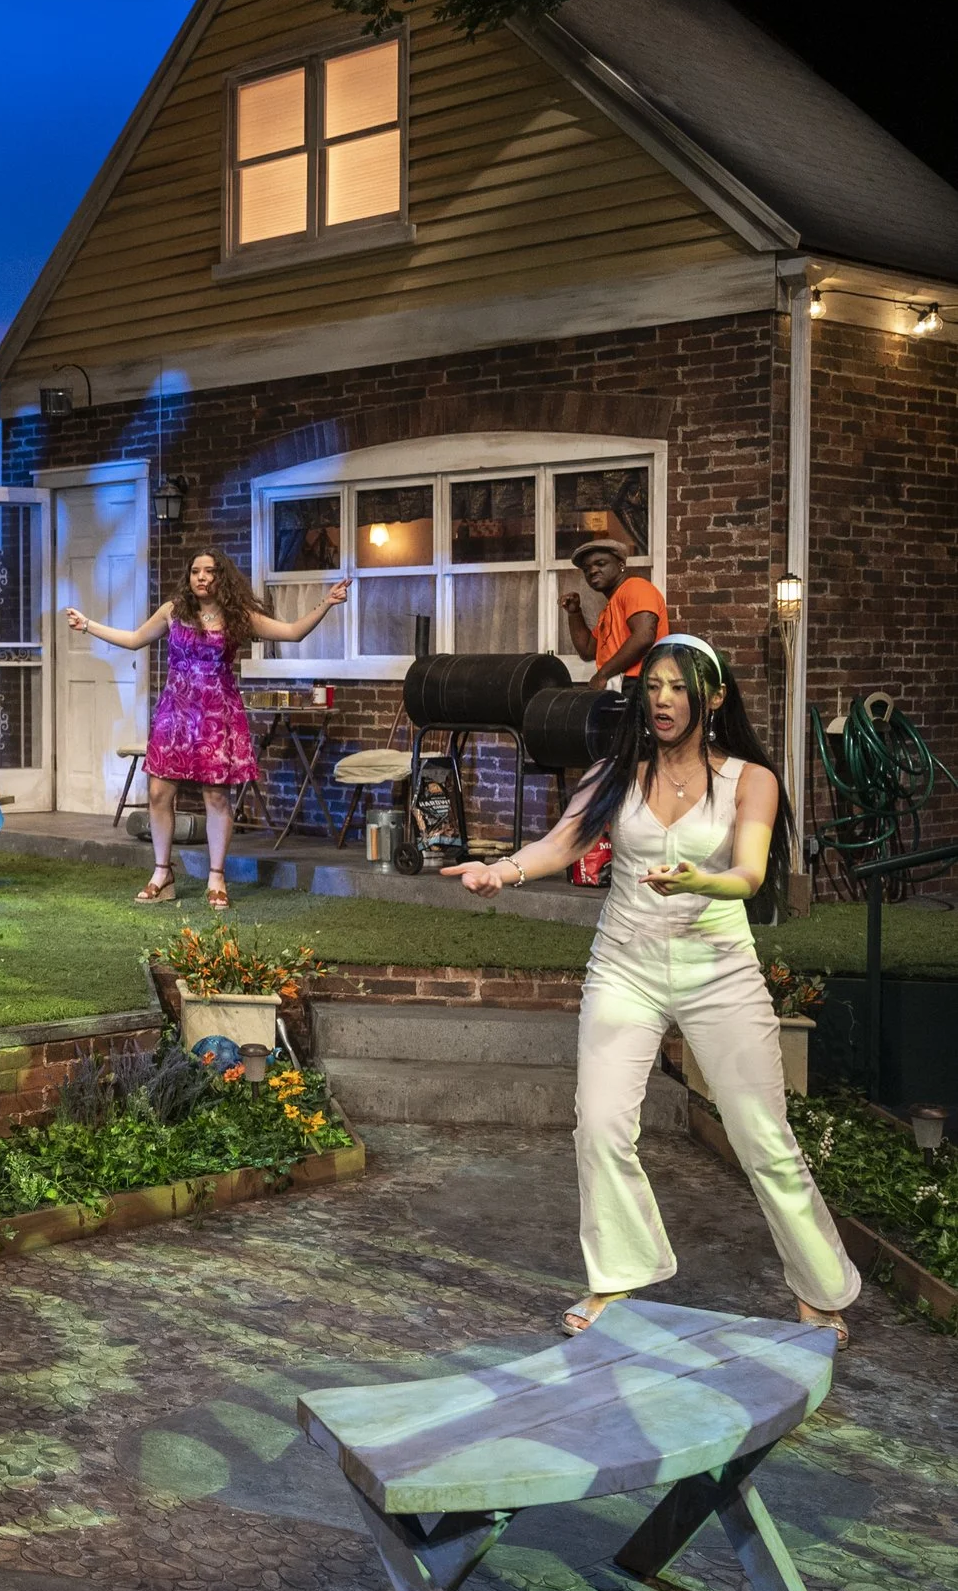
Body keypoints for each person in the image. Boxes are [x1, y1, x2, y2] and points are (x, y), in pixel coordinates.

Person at [442, 634, 857, 1344]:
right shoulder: (616, 773)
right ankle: (616, 1277)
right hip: (625, 967)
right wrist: (501, 871)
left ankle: (821, 1288)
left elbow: (750, 875)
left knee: (763, 1136)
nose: (662, 700)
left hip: (719, 972)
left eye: (678, 688)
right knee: (601, 1124)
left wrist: (702, 880)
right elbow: (563, 842)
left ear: (713, 697)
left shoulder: (750, 779)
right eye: (653, 687)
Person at [66, 552, 348, 910]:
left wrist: (327, 602)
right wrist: (88, 625)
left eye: (209, 572)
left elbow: (292, 633)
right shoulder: (173, 611)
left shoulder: (237, 616)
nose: (201, 577)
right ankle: (162, 874)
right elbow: (135, 639)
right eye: (195, 571)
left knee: (216, 797)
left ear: (221, 577)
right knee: (158, 792)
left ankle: (216, 877)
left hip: (217, 715)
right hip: (175, 715)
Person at [561, 539, 667, 691]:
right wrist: (574, 613)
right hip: (621, 683)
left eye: (600, 563)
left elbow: (644, 637)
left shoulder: (636, 587)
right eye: (586, 569)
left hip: (638, 682)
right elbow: (587, 651)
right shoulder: (608, 609)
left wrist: (602, 675)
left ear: (621, 565)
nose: (592, 571)